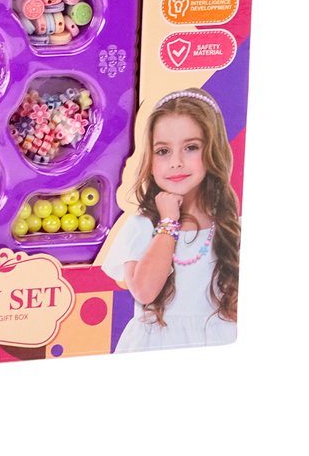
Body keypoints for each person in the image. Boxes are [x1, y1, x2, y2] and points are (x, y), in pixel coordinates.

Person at [103, 88, 241, 351]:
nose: (176, 162)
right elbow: (144, 292)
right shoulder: (142, 226)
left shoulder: (230, 227)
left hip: (218, 341)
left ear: (213, 150)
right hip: (155, 345)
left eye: (191, 147)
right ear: (150, 159)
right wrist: (168, 221)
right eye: (163, 151)